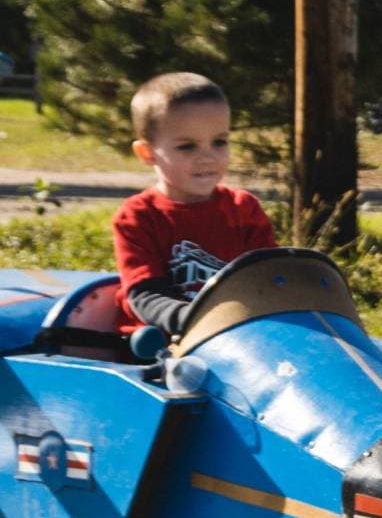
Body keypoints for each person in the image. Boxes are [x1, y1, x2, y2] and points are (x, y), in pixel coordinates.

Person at [113, 72, 276, 338]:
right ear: (147, 153)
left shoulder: (244, 209)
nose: (207, 157)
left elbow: (271, 280)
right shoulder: (138, 216)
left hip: (239, 339)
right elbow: (145, 296)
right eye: (187, 146)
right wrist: (201, 321)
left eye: (219, 142)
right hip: (161, 350)